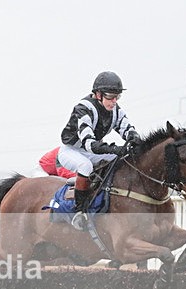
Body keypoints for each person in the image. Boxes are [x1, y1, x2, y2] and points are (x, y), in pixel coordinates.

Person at [57, 71, 142, 230]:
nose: (114, 101)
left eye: (117, 97)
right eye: (110, 96)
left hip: (91, 151)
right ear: (98, 94)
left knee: (121, 160)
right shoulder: (83, 108)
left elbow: (127, 129)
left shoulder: (116, 110)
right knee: (85, 167)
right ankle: (80, 210)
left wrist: (134, 139)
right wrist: (116, 149)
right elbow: (90, 144)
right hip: (71, 151)